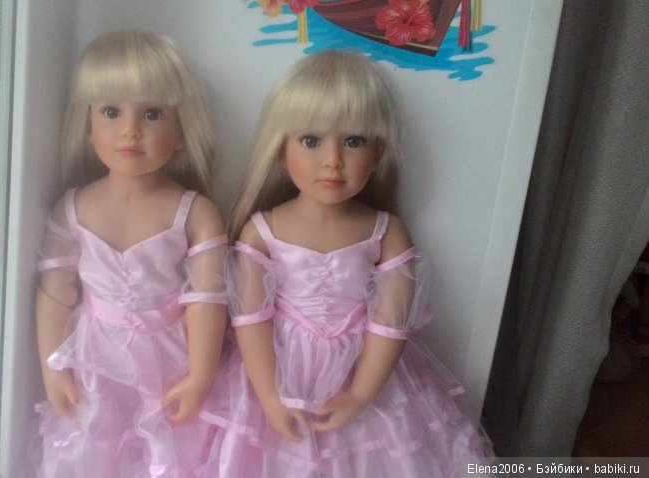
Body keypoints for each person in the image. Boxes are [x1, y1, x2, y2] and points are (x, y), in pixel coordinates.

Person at [201, 50, 494, 477]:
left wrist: (360, 394)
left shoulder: (387, 232)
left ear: (378, 153)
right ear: (281, 150)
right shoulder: (260, 232)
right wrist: (270, 396)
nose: (333, 159)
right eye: (311, 141)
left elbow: (390, 324)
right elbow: (251, 321)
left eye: (354, 141)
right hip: (275, 372)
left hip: (366, 370)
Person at [33, 31, 227, 478]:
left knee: (171, 449)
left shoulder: (195, 213)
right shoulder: (72, 208)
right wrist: (51, 367)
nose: (130, 129)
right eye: (110, 111)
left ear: (181, 132)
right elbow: (56, 292)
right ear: (88, 126)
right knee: (94, 445)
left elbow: (206, 300)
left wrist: (200, 375)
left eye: (153, 113)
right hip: (94, 357)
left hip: (171, 357)